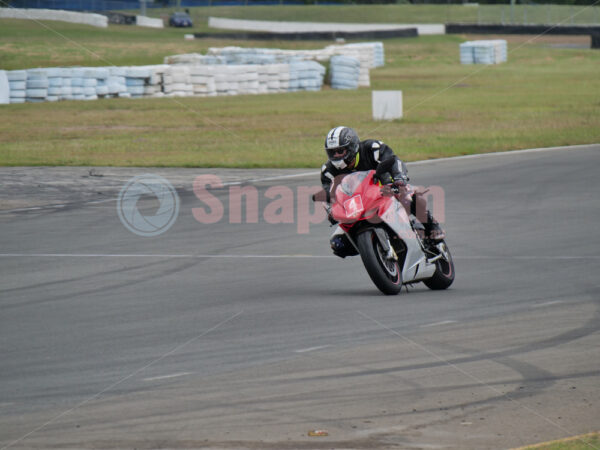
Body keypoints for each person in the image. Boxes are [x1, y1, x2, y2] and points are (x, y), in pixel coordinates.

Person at [320, 126, 445, 258]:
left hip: (385, 189)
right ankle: (373, 249)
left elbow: (393, 160)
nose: (336, 156)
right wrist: (331, 211)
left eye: (340, 151)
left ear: (352, 147)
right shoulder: (328, 171)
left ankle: (432, 226)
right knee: (337, 243)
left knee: (407, 194)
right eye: (332, 152)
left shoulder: (371, 148)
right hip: (356, 206)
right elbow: (329, 194)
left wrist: (399, 178)